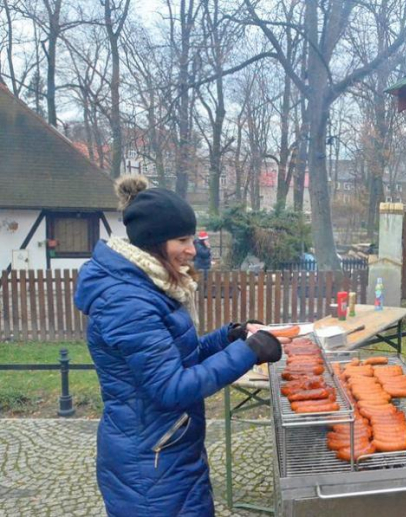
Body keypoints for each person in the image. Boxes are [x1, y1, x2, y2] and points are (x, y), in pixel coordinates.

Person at [74, 176, 284, 516]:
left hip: (168, 450)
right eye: (183, 239)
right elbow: (171, 387)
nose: (192, 249)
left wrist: (229, 337)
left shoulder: (148, 287)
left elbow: (178, 360)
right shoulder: (127, 301)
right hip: (150, 465)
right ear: (154, 242)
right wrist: (249, 352)